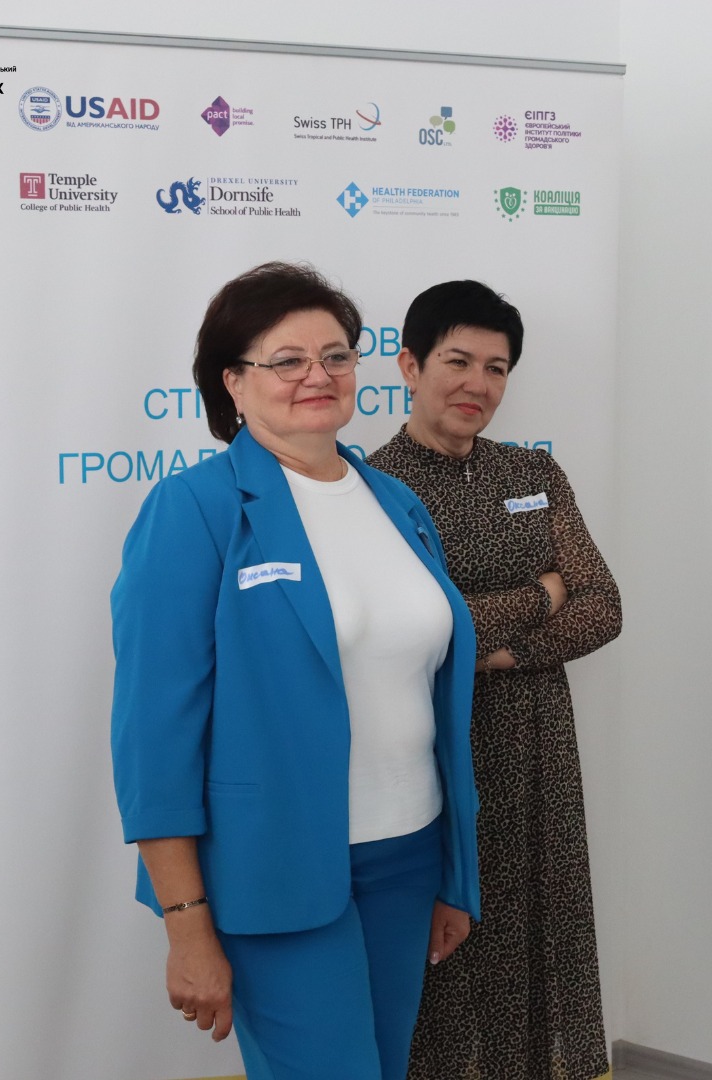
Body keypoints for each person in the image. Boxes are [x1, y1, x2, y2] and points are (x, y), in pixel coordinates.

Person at [110, 262, 481, 1080]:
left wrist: (454, 874)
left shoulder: (396, 502)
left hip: (408, 856)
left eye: (336, 355)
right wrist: (186, 924)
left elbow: (427, 695)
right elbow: (154, 741)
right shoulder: (196, 510)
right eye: (287, 360)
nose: (318, 375)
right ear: (233, 383)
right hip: (274, 872)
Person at [367, 279, 621, 1080]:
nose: (477, 384)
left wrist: (498, 652)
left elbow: (604, 606)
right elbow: (423, 629)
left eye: (497, 368)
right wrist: (542, 593)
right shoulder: (373, 488)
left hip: (540, 752)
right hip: (434, 751)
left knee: (536, 934)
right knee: (444, 948)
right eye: (458, 361)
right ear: (410, 365)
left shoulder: (534, 472)